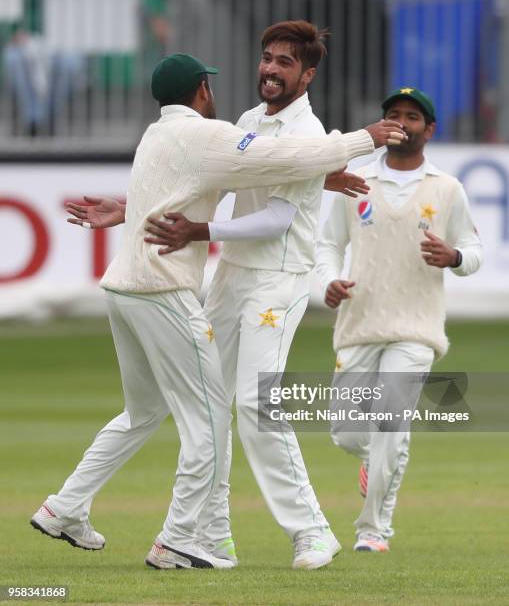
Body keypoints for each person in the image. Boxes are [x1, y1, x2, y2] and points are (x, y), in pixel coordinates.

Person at [37, 52, 404, 570]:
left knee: (159, 412)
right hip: (174, 289)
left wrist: (319, 175)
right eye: (266, 57)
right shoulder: (229, 129)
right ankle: (180, 540)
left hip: (184, 284)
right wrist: (366, 138)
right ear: (202, 92)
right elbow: (266, 164)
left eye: (284, 60)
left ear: (308, 74)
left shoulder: (163, 134)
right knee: (210, 423)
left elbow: (244, 190)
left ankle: (68, 508)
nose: (269, 67)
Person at [316, 86, 483, 553]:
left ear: (429, 130)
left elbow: (474, 252)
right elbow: (328, 246)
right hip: (359, 322)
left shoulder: (448, 189)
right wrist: (329, 280)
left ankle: (373, 530)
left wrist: (452, 257)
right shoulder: (356, 182)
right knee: (347, 431)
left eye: (412, 117)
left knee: (391, 423)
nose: (402, 123)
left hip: (416, 327)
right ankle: (379, 458)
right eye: (394, 115)